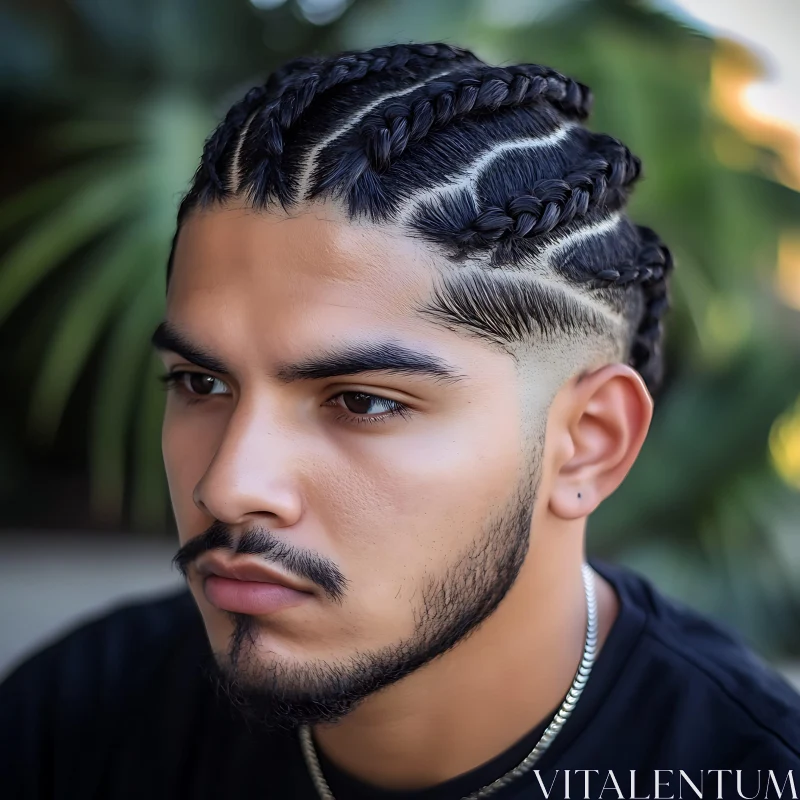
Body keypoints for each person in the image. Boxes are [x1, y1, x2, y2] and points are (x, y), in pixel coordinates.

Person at [1, 42, 798, 800]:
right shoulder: (73, 721)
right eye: (201, 382)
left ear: (587, 444)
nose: (230, 486)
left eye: (364, 402)